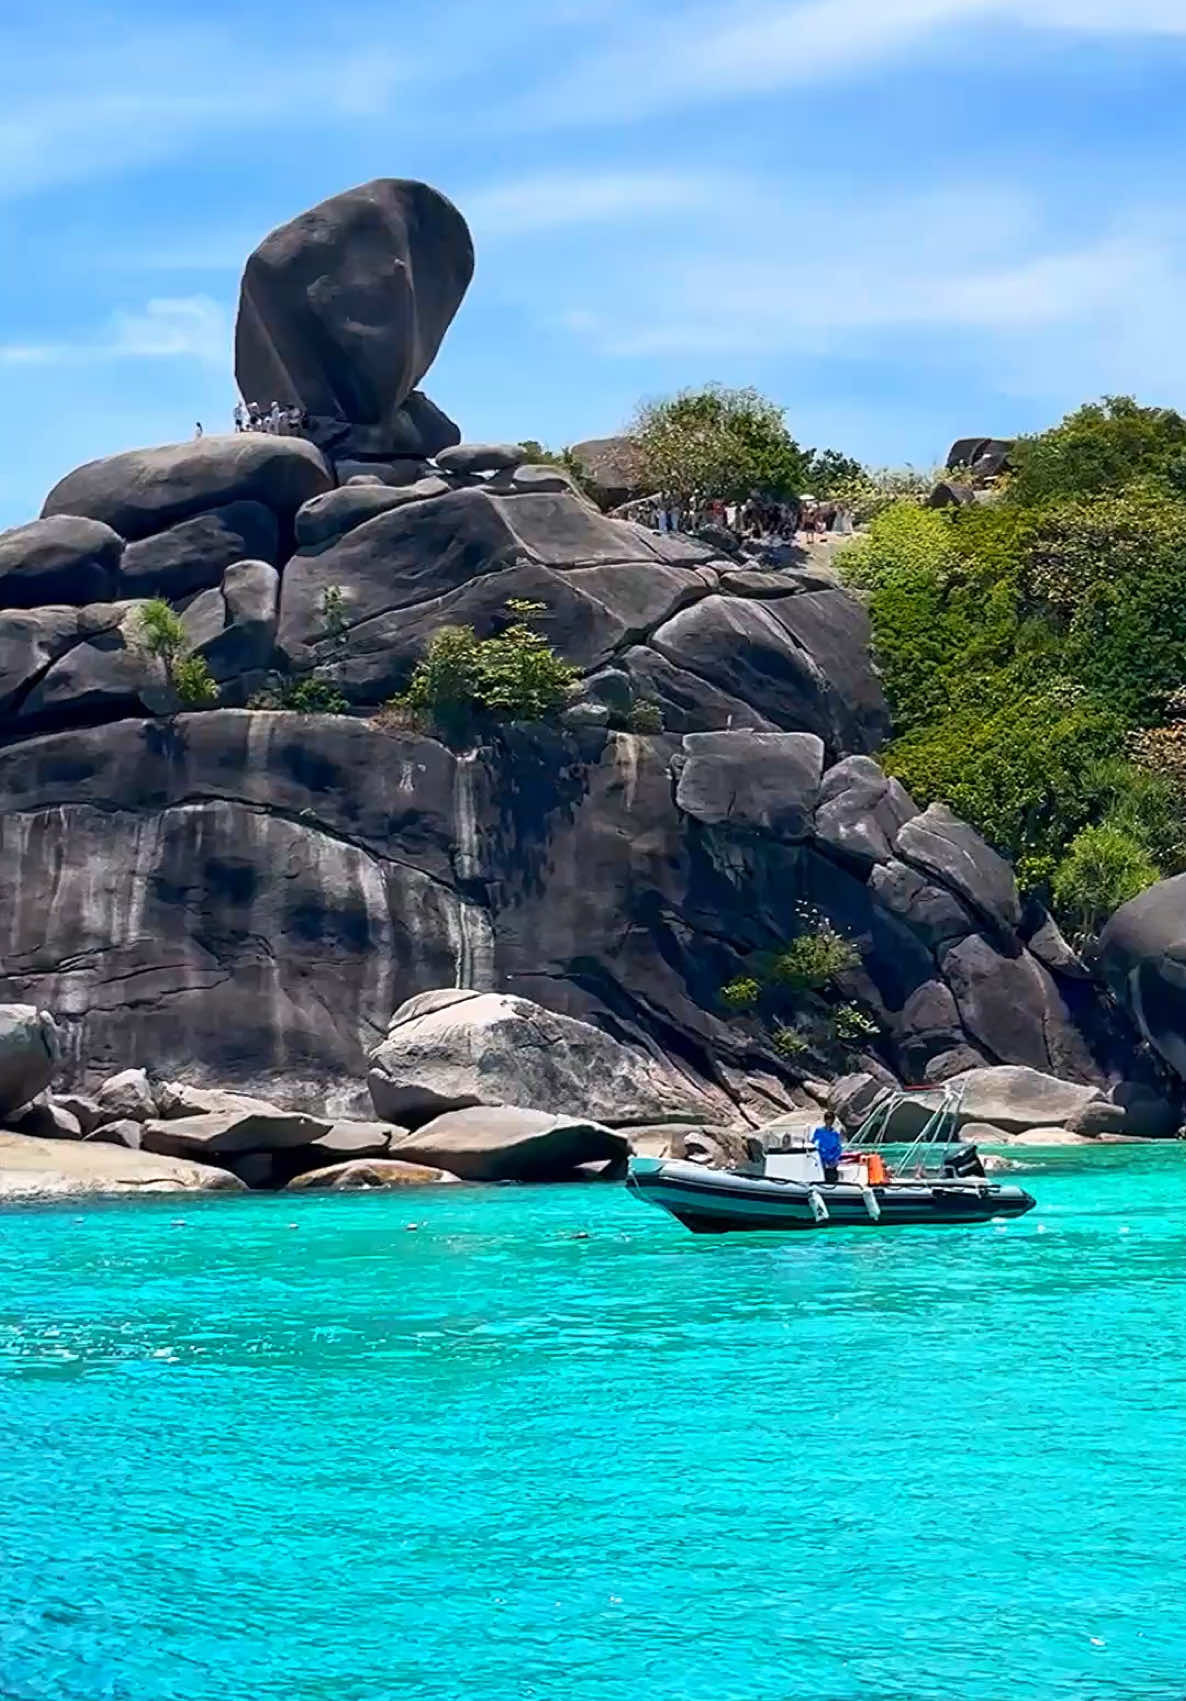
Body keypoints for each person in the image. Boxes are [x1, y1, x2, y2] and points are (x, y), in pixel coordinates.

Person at [812, 1111, 843, 1183]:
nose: (829, 1121)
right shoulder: (819, 1131)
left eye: (831, 1119)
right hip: (821, 1161)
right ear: (825, 1120)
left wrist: (833, 1159)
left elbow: (838, 1148)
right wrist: (823, 1158)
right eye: (828, 1119)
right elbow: (816, 1145)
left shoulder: (835, 1133)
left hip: (832, 1162)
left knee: (832, 1178)